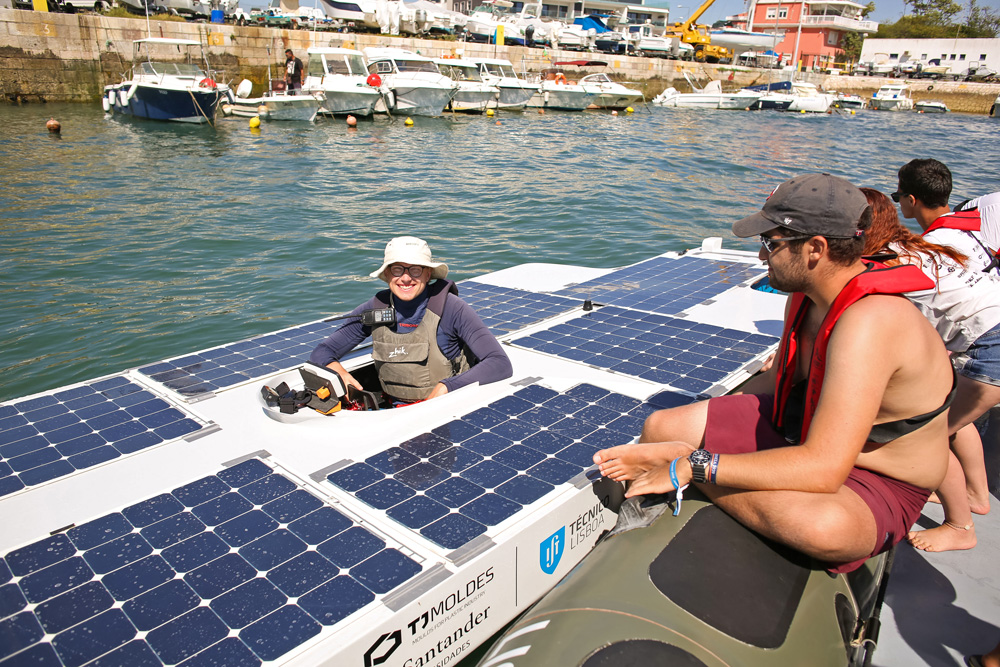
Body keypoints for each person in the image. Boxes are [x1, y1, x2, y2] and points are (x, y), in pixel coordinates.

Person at [592, 173, 955, 573]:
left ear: (815, 248)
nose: (762, 256)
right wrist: (707, 422)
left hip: (875, 479)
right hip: (800, 432)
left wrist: (695, 464)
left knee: (823, 528)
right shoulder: (807, 296)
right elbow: (774, 382)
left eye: (770, 242)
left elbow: (824, 468)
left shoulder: (872, 322)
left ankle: (685, 466)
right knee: (663, 424)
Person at [887, 159, 1000, 551]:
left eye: (898, 195)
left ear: (911, 200)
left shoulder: (914, 255)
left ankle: (960, 527)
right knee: (956, 418)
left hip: (990, 352)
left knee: (928, 435)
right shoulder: (968, 233)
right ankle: (976, 494)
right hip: (990, 340)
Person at [309, 236, 512, 404]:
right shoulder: (376, 307)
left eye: (415, 269)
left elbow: (499, 362)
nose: (406, 278)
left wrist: (447, 387)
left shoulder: (452, 308)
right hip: (394, 412)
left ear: (428, 274)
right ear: (387, 274)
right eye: (397, 269)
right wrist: (339, 372)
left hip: (445, 410)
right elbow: (322, 352)